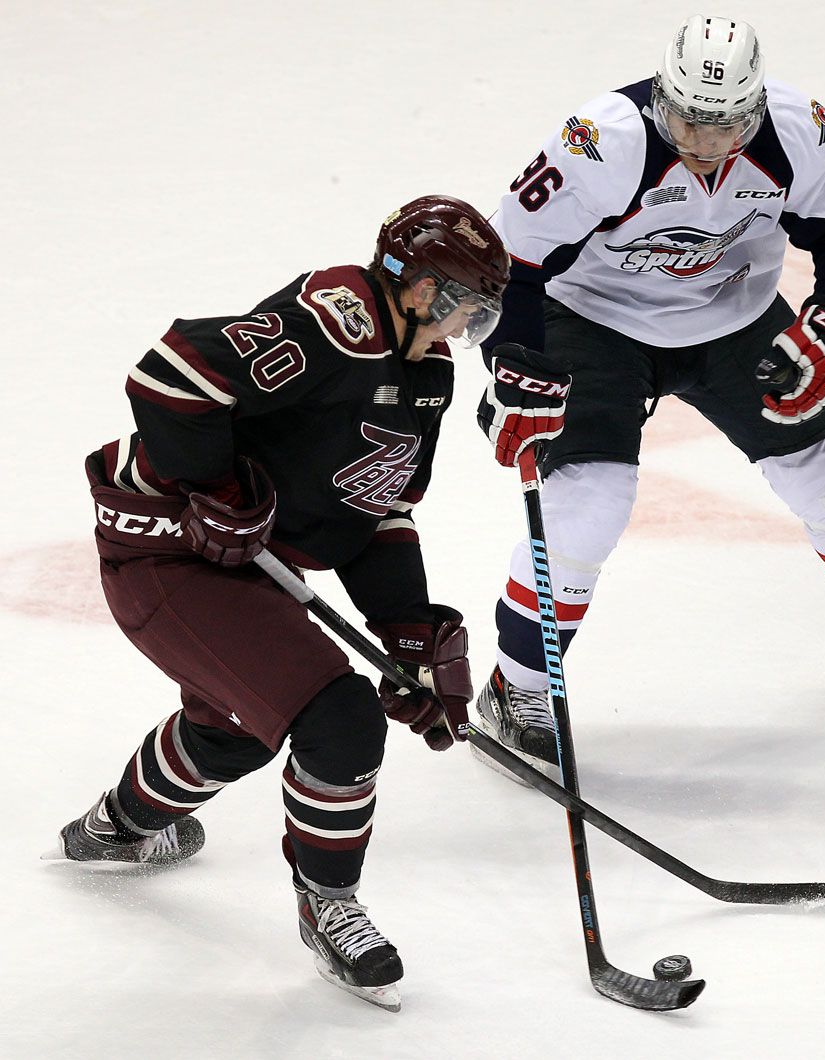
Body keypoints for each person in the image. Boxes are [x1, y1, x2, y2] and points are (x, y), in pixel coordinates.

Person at [474, 14, 825, 774]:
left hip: (732, 312)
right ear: (659, 95)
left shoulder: (802, 131)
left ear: (757, 106)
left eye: (724, 125)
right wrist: (516, 361)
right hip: (593, 319)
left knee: (822, 463)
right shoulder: (598, 141)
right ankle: (520, 684)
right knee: (591, 499)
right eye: (684, 120)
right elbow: (512, 258)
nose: (703, 142)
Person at [50, 196, 509, 1012]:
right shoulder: (341, 318)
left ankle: (114, 827)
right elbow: (170, 375)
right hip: (168, 549)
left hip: (245, 566)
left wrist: (407, 628)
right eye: (466, 304)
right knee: (337, 719)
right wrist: (217, 487)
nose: (467, 325)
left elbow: (376, 506)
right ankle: (328, 902)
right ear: (421, 288)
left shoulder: (423, 375)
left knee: (236, 729)